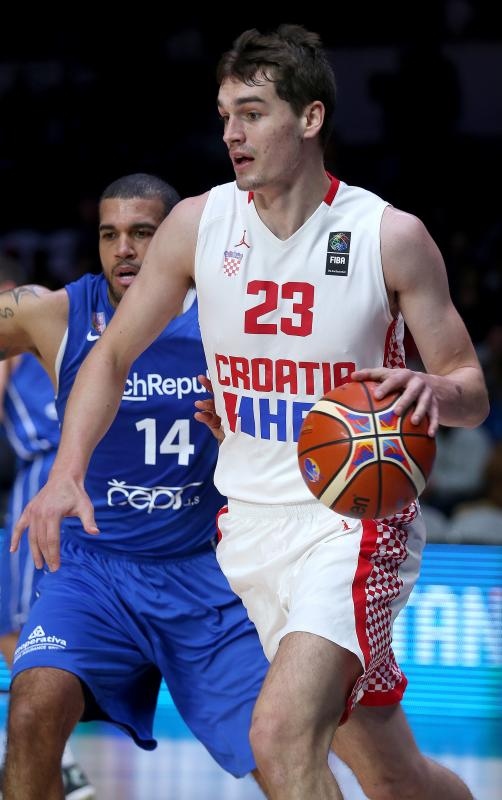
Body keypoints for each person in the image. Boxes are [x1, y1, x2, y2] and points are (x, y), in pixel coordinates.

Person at [11, 26, 490, 800]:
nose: (232, 132)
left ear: (310, 118)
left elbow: (471, 386)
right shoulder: (200, 225)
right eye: (226, 113)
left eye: (254, 112)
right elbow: (108, 355)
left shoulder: (387, 236)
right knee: (393, 775)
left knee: (278, 737)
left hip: (352, 519)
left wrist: (436, 392)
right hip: (249, 528)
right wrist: (67, 473)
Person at [0, 174, 271, 800]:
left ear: (181, 238)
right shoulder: (61, 314)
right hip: (94, 569)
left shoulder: (231, 314)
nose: (124, 248)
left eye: (143, 233)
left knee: (279, 750)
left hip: (206, 573)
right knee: (33, 704)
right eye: (110, 234)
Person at [0, 256, 95, 799]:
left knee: (20, 633)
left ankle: (63, 764)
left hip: (44, 475)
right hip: (79, 474)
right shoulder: (66, 323)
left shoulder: (30, 329)